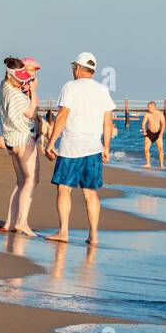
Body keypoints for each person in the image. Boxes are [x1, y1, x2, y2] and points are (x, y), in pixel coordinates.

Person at [42, 52, 115, 244]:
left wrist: (50, 143)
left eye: (73, 66)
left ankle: (64, 232)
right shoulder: (102, 90)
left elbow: (63, 115)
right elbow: (108, 122)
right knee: (90, 193)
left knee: (64, 189)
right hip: (94, 148)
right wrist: (106, 147)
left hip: (71, 148)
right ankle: (94, 235)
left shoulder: (70, 87)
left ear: (78, 68)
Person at [0, 57, 40, 235]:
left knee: (21, 181)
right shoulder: (16, 94)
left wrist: (24, 82)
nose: (22, 82)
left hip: (10, 140)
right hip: (23, 139)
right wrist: (33, 92)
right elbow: (31, 113)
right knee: (31, 180)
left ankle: (10, 222)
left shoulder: (3, 86)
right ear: (10, 75)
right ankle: (22, 222)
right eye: (19, 78)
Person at [141, 101, 166, 168]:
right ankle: (148, 163)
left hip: (158, 133)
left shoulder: (160, 114)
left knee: (160, 149)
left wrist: (161, 133)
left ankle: (161, 165)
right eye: (148, 107)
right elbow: (143, 123)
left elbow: (163, 124)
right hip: (149, 133)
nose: (148, 108)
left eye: (149, 107)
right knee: (146, 149)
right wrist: (144, 130)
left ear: (154, 107)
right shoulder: (147, 114)